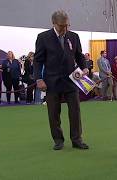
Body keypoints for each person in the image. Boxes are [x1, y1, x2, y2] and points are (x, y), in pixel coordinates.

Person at [34, 10, 89, 150]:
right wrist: (39, 79)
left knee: (75, 111)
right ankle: (58, 140)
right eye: (61, 26)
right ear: (53, 23)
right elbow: (38, 61)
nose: (64, 29)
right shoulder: (43, 37)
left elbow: (79, 55)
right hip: (51, 81)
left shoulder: (74, 36)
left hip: (72, 80)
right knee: (53, 113)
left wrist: (85, 68)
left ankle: (77, 139)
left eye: (66, 25)